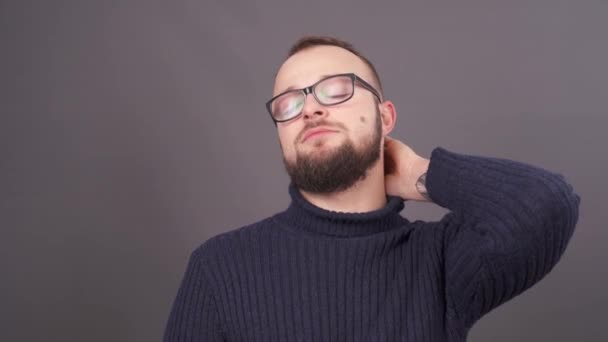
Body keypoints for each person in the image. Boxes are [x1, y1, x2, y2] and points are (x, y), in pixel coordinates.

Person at [163, 36, 580, 341]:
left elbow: (545, 205)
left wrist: (420, 174)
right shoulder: (219, 267)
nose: (310, 107)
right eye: (289, 103)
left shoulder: (440, 261)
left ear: (385, 116)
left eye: (336, 88)